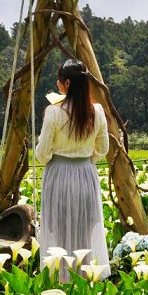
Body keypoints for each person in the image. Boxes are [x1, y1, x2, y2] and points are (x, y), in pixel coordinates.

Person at [34, 58, 111, 281]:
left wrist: (62, 158)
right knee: (84, 228)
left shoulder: (54, 113)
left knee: (58, 227)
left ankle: (61, 278)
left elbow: (42, 154)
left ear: (66, 83)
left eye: (59, 81)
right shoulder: (97, 112)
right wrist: (84, 159)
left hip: (58, 174)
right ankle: (84, 277)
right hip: (86, 174)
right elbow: (102, 149)